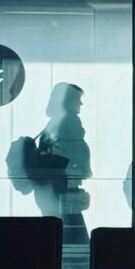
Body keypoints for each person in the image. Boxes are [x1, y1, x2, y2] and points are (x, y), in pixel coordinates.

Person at [33, 83, 92, 245]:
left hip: (51, 193)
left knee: (57, 240)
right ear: (69, 100)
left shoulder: (53, 123)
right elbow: (73, 157)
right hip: (65, 194)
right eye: (78, 99)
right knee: (77, 248)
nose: (81, 104)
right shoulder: (69, 120)